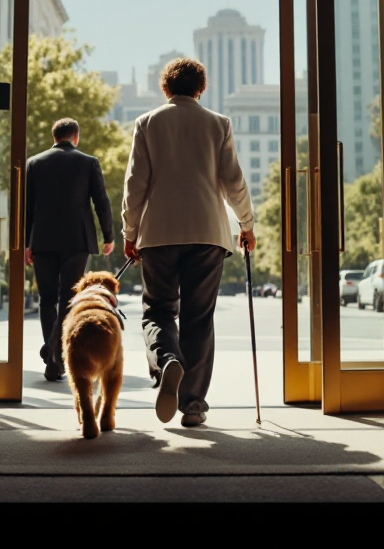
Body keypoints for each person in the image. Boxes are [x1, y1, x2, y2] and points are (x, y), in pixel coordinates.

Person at [122, 58, 255, 428]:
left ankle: (167, 360)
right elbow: (234, 181)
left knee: (159, 312)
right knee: (199, 319)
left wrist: (129, 233)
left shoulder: (147, 123)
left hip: (159, 234)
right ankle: (193, 406)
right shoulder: (219, 124)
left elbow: (136, 185)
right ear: (201, 87)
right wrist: (246, 225)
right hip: (208, 233)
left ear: (166, 88)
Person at [24, 118, 114, 382]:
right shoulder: (88, 162)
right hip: (77, 239)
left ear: (55, 137)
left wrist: (26, 242)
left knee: (47, 298)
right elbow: (101, 202)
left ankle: (52, 356)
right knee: (69, 297)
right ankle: (55, 352)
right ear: (76, 137)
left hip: (42, 240)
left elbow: (26, 206)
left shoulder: (35, 163)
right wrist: (108, 235)